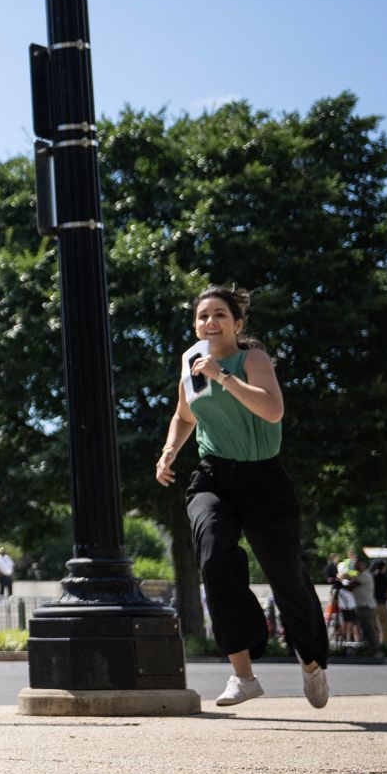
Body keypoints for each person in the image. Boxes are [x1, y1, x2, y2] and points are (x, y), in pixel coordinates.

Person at [155, 286, 329, 709]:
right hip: (214, 476)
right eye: (202, 316)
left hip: (264, 480)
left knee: (287, 578)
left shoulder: (252, 359)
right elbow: (184, 413)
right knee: (214, 559)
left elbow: (272, 411)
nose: (209, 323)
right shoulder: (190, 362)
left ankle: (310, 661)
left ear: (237, 323)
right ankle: (243, 674)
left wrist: (223, 377)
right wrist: (168, 451)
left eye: (219, 315)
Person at [343, 557, 380, 653]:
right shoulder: (362, 575)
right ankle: (370, 649)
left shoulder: (364, 575)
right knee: (366, 630)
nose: (356, 566)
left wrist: (342, 582)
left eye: (358, 564)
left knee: (369, 630)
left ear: (363, 565)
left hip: (366, 607)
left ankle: (376, 650)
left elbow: (351, 586)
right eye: (356, 565)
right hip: (363, 607)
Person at [370, 559, 387, 647]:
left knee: (372, 627)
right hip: (382, 604)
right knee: (385, 626)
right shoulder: (386, 577)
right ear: (384, 567)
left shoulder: (371, 576)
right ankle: (386, 646)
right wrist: (386, 598)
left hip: (372, 605)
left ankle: (373, 645)